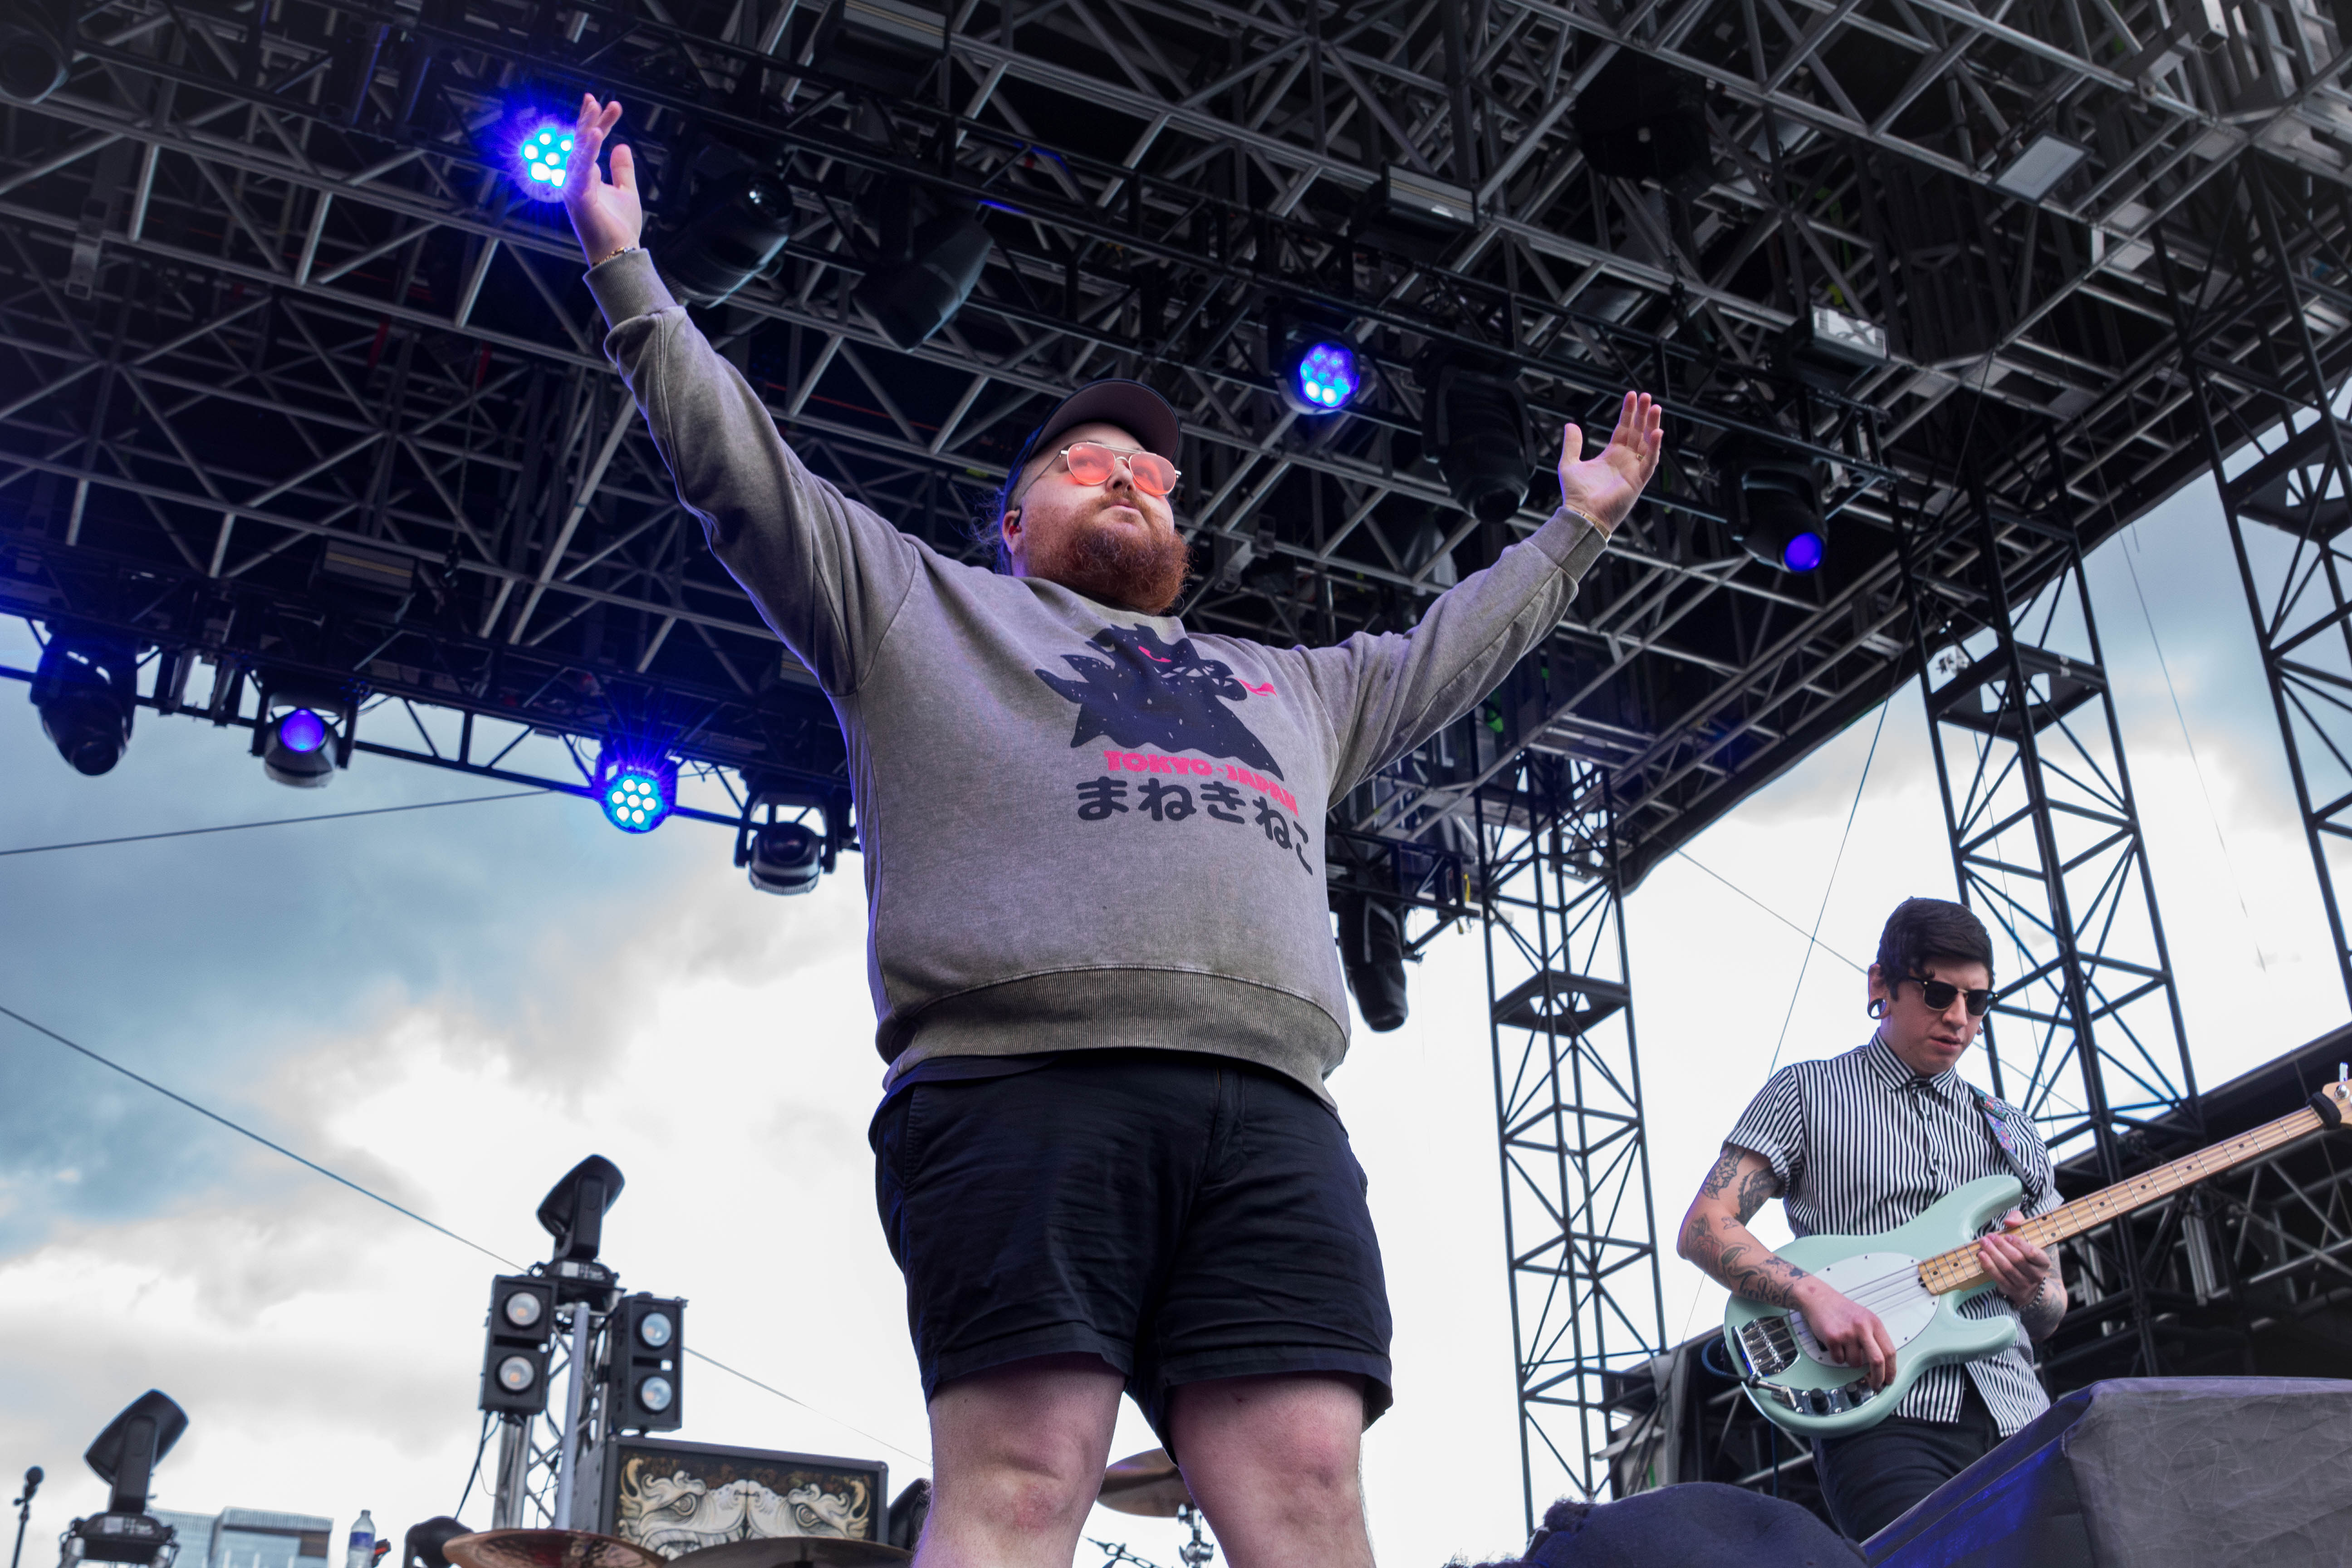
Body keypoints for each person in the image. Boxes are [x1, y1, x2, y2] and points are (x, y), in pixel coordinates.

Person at [558, 93, 1664, 1568]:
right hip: (1021, 1086)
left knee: (1312, 1495)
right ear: (1008, 523)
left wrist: (1572, 529)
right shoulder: (918, 606)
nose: (1131, 481)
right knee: (1023, 1483)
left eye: (1153, 479)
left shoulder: (1295, 686)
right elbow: (738, 469)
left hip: (1269, 1108)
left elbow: (1450, 648)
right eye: (1089, 465)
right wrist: (626, 274)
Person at [1676, 897, 2068, 1544]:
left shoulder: (2014, 1132)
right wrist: (1813, 1295)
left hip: (2019, 1412)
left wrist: (2031, 1288)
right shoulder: (1806, 1092)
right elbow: (1704, 1225)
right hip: (1885, 1419)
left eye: (1978, 1003)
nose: (1959, 1019)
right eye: (1939, 993)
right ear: (1881, 984)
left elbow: (2052, 1311)